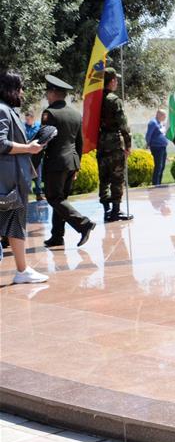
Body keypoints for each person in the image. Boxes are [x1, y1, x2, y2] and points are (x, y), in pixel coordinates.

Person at [0, 71, 49, 283]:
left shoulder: (8, 110)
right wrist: (28, 148)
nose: (22, 92)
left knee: (15, 225)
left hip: (12, 182)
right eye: (20, 88)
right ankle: (22, 270)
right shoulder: (2, 110)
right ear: (10, 89)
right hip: (6, 183)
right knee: (13, 223)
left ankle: (22, 270)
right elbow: (0, 143)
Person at [41, 75, 95, 248]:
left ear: (54, 92)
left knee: (53, 198)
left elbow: (44, 141)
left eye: (48, 92)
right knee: (61, 198)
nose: (47, 96)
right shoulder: (75, 114)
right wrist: (77, 165)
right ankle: (57, 235)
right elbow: (80, 142)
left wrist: (33, 163)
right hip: (71, 162)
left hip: (56, 163)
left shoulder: (50, 113)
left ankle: (83, 224)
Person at [97, 67, 133, 222]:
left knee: (104, 178)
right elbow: (123, 124)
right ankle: (115, 211)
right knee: (117, 178)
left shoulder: (95, 99)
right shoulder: (114, 100)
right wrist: (128, 144)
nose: (117, 82)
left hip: (101, 142)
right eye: (116, 80)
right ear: (111, 81)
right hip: (114, 143)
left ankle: (107, 210)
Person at [145, 108, 169, 186]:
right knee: (158, 165)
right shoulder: (153, 123)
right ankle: (156, 183)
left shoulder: (160, 123)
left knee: (162, 166)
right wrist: (148, 144)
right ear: (159, 114)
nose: (165, 117)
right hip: (156, 147)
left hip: (163, 147)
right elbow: (148, 135)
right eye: (164, 115)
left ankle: (159, 182)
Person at [24, 110, 44, 201]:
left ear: (33, 119)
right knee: (26, 175)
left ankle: (39, 194)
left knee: (38, 175)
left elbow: (42, 136)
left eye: (28, 119)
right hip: (26, 155)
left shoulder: (38, 126)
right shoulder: (23, 126)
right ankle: (25, 195)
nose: (27, 121)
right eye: (26, 119)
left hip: (37, 154)